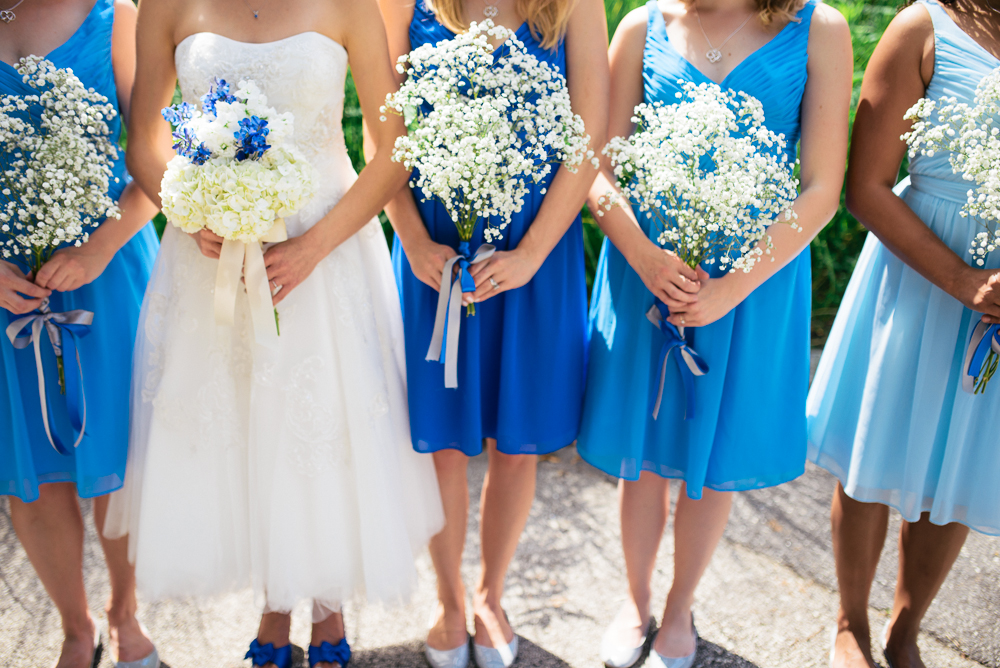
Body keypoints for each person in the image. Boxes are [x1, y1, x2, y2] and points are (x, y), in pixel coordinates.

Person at [103, 1, 445, 667]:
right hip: (212, 257)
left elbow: (391, 151)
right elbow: (143, 143)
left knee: (315, 428)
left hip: (323, 252)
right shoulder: (168, 6)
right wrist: (190, 209)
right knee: (241, 425)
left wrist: (313, 246)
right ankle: (272, 606)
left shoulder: (350, 5)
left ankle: (326, 611)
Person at [578, 1, 851, 666]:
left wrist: (731, 288)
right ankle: (636, 601)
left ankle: (679, 610)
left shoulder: (820, 29)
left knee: (715, 457)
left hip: (753, 285)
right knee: (640, 453)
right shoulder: (641, 25)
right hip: (649, 271)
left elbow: (821, 189)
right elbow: (598, 168)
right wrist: (646, 259)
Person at [378, 0, 608, 666]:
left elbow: (587, 134)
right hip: (433, 256)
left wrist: (533, 253)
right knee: (441, 441)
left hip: (536, 255)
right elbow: (382, 129)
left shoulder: (573, 5)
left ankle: (490, 594)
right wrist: (414, 240)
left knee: (518, 440)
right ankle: (449, 601)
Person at [807, 1, 1000, 667]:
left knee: (961, 464)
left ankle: (905, 632)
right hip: (916, 276)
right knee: (871, 456)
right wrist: (964, 280)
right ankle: (849, 625)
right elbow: (865, 186)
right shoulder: (925, 27)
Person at [0, 1, 161, 666]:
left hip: (108, 271)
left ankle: (126, 611)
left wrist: (95, 251)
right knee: (27, 474)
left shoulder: (117, 15)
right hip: (10, 288)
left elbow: (156, 162)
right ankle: (76, 627)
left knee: (119, 461)